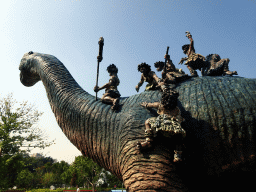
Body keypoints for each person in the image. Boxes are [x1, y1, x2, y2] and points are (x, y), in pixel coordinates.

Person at [137, 89, 186, 162]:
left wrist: (146, 105)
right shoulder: (176, 109)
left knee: (147, 122)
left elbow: (150, 105)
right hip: (172, 130)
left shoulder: (159, 105)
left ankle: (149, 141)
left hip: (159, 127)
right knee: (179, 137)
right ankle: (177, 155)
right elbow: (179, 119)